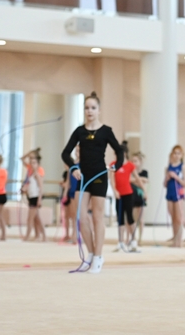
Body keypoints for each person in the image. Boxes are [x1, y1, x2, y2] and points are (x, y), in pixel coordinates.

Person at [62, 91, 123, 274]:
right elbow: (65, 153)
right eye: (87, 108)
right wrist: (74, 168)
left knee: (97, 217)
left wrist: (115, 166)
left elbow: (119, 152)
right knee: (80, 217)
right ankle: (90, 253)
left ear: (99, 110)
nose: (90, 111)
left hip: (99, 176)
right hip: (83, 176)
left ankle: (98, 256)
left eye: (93, 108)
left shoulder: (106, 131)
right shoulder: (79, 131)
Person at [112, 157, 140, 252]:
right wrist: (114, 190)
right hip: (118, 195)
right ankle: (120, 241)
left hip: (128, 193)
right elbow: (112, 179)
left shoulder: (130, 165)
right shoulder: (114, 164)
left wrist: (144, 190)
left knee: (130, 217)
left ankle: (134, 241)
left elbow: (137, 178)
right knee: (120, 218)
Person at [165, 145, 185, 248]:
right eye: (175, 153)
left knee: (179, 218)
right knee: (173, 218)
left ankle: (179, 241)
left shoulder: (183, 167)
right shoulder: (168, 167)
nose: (176, 155)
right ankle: (175, 239)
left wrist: (176, 177)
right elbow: (165, 184)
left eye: (178, 153)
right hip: (170, 193)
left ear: (182, 155)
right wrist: (167, 178)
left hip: (178, 194)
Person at [21, 149, 46, 242]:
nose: (32, 164)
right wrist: (25, 189)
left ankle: (27, 236)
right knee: (37, 219)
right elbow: (30, 185)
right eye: (31, 162)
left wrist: (39, 199)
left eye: (34, 162)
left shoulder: (38, 174)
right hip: (32, 197)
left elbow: (41, 188)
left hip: (36, 197)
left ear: (37, 163)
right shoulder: (31, 173)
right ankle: (43, 236)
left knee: (30, 218)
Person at [130, 152, 148, 245]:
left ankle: (140, 238)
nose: (133, 162)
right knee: (131, 218)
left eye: (135, 161)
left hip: (140, 197)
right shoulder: (130, 172)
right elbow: (129, 180)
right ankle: (133, 237)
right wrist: (139, 180)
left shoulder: (144, 172)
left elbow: (145, 181)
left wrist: (135, 180)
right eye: (132, 161)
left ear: (140, 162)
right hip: (131, 196)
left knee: (140, 219)